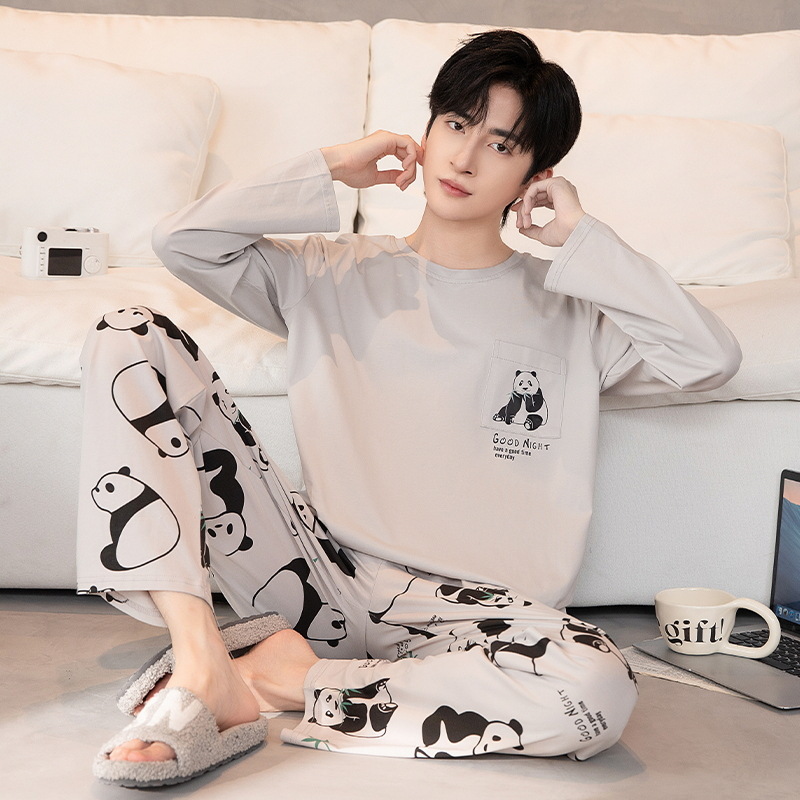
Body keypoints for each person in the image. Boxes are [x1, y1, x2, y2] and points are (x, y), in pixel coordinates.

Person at [79, 30, 741, 787]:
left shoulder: (571, 313)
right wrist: (332, 166)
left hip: (479, 617)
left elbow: (709, 358)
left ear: (536, 176)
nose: (465, 158)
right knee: (126, 334)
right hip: (318, 577)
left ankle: (283, 680)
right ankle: (203, 662)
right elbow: (180, 240)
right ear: (427, 130)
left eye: (501, 144)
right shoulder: (327, 273)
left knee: (595, 689)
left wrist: (581, 238)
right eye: (456, 125)